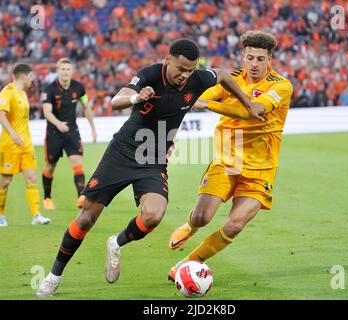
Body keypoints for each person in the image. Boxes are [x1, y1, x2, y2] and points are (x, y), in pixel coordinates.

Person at [36, 38, 260, 297]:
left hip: (152, 159)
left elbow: (222, 75)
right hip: (121, 153)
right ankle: (54, 276)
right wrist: (136, 97)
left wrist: (246, 103)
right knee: (86, 218)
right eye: (181, 69)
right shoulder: (150, 74)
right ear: (168, 60)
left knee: (154, 214)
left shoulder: (198, 79)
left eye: (190, 70)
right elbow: (117, 100)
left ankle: (116, 243)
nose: (185, 76)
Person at [167, 31, 293, 281]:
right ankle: (190, 226)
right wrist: (200, 100)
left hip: (261, 169)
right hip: (227, 161)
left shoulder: (281, 85)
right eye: (250, 58)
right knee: (202, 216)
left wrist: (207, 105)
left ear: (270, 59)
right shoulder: (231, 79)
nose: (254, 64)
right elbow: (202, 96)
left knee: (234, 225)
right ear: (243, 57)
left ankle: (187, 264)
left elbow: (254, 110)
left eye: (260, 59)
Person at [0, 63, 51, 227]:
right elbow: (1, 115)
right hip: (10, 145)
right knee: (5, 180)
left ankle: (36, 215)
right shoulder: (8, 92)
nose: (32, 80)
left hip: (26, 144)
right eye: (31, 77)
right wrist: (13, 134)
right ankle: (0, 216)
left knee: (32, 178)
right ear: (24, 76)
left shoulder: (23, 93)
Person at [41, 58, 97, 210]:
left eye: (68, 69)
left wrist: (93, 128)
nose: (65, 72)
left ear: (72, 71)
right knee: (50, 166)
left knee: (77, 163)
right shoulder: (49, 89)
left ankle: (81, 197)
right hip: (54, 133)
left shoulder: (79, 88)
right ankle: (47, 198)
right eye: (63, 69)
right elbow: (47, 112)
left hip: (72, 131)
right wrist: (58, 124)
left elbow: (86, 107)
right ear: (58, 70)